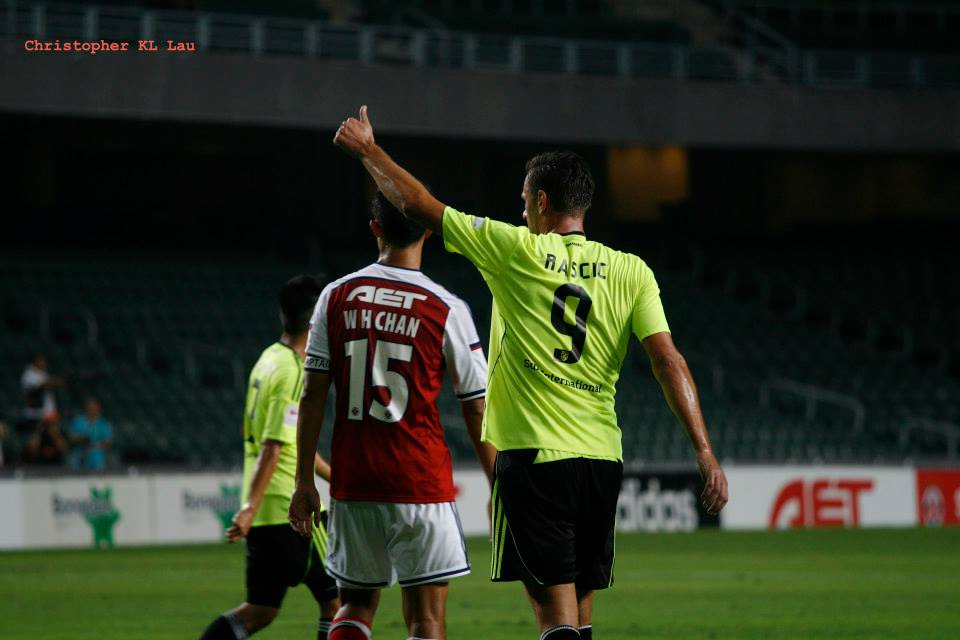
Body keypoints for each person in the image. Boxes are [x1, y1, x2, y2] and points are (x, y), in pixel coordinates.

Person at [330, 106, 729, 640]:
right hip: (601, 460)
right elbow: (668, 360)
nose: (521, 213)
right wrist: (703, 449)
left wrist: (367, 151)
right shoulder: (633, 270)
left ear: (542, 201)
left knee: (553, 620)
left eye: (523, 202)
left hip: (535, 460)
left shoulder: (516, 250)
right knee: (581, 618)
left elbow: (418, 205)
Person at [288, 192, 495, 640]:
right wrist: (500, 484)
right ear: (427, 229)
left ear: (375, 228)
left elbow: (312, 394)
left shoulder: (335, 296)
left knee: (356, 606)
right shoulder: (446, 308)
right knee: (425, 620)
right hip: (419, 481)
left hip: (354, 479)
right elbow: (476, 404)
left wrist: (305, 479)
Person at [197, 275, 340, 640]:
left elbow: (289, 444)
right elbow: (273, 447)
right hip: (288, 510)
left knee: (260, 611)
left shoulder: (267, 360)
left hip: (267, 514)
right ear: (315, 321)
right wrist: (249, 506)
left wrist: (332, 475)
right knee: (337, 599)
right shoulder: (294, 371)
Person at [19, 353, 63, 434]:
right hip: (35, 414)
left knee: (52, 438)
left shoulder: (43, 374)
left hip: (48, 412)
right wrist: (52, 382)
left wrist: (54, 382)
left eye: (44, 361)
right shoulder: (28, 374)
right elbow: (36, 389)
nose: (44, 363)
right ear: (35, 362)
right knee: (37, 439)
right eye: (41, 361)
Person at [68, 397, 113, 472]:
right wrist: (81, 439)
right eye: (89, 408)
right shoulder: (78, 421)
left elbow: (108, 442)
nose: (91, 410)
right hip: (79, 453)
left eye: (94, 408)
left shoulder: (104, 424)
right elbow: (71, 438)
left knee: (97, 459)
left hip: (96, 454)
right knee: (74, 460)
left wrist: (94, 446)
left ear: (98, 408)